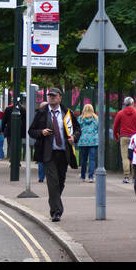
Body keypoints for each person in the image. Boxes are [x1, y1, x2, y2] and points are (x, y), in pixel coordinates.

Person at [27, 88, 77, 223]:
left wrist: (74, 138)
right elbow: (31, 131)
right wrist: (41, 132)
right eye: (50, 96)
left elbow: (77, 130)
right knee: (52, 182)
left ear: (60, 98)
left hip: (63, 153)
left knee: (60, 182)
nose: (51, 98)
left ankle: (55, 202)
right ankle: (56, 212)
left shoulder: (67, 113)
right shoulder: (42, 113)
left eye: (54, 96)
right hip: (48, 153)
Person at [112, 96, 136, 184]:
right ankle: (134, 176)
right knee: (135, 156)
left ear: (125, 104)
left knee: (125, 157)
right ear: (133, 103)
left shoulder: (120, 113)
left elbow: (115, 127)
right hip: (135, 137)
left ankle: (126, 176)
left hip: (124, 137)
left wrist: (116, 136)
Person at [77, 104, 100, 181]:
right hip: (93, 141)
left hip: (83, 141)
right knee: (92, 159)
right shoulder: (96, 119)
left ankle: (83, 176)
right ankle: (91, 177)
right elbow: (99, 129)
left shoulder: (80, 119)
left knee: (83, 159)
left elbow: (77, 129)